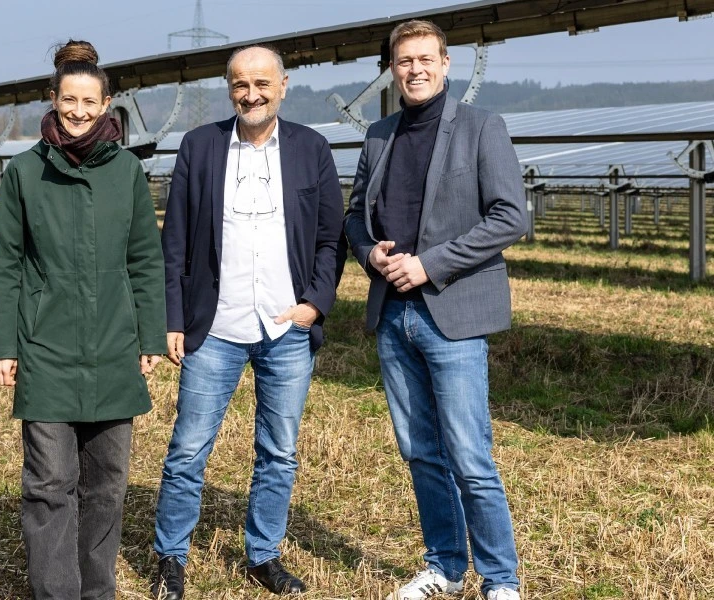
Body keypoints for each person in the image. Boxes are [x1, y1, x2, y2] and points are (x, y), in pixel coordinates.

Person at [344, 20, 528, 600]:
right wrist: (367, 250)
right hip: (393, 316)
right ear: (392, 69)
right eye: (404, 61)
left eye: (426, 59)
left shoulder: (481, 127)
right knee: (421, 451)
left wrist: (432, 263)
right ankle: (446, 567)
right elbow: (353, 215)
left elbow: (510, 217)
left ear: (446, 64)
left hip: (452, 313)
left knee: (470, 454)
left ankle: (501, 580)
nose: (415, 69)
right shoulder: (378, 135)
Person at [152, 45, 344, 598]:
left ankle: (263, 554)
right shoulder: (200, 146)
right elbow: (176, 243)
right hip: (213, 328)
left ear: (283, 85)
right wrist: (173, 319)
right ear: (229, 88)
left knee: (279, 451)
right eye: (240, 84)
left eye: (262, 83)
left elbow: (332, 239)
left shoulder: (312, 149)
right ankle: (171, 557)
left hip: (287, 328)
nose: (251, 94)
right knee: (189, 448)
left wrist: (315, 303)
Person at [0, 39, 166, 600]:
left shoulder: (128, 173)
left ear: (107, 103)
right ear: (54, 98)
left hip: (115, 345)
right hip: (47, 346)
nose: (80, 112)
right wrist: (4, 345)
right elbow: (6, 264)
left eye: (91, 102)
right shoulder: (23, 172)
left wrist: (151, 335)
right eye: (70, 100)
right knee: (49, 484)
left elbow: (145, 258)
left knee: (108, 486)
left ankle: (98, 591)